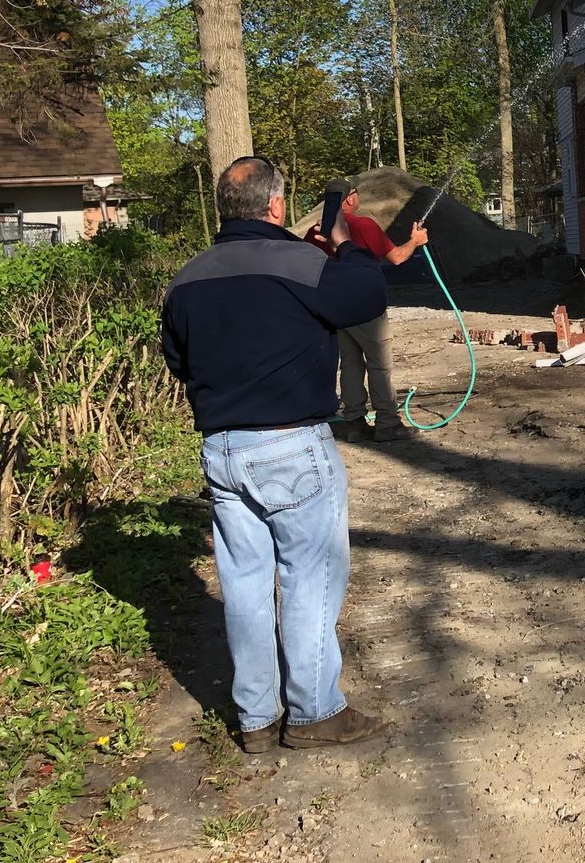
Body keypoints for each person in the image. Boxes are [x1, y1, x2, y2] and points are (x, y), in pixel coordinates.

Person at [160, 156, 392, 753]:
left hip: (222, 452)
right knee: (309, 579)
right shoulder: (301, 262)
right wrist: (347, 244)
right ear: (276, 207)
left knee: (243, 585)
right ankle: (314, 713)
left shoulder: (186, 278)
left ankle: (257, 717)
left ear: (223, 209)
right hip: (292, 448)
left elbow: (178, 362)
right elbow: (367, 295)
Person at [304, 178, 428, 443]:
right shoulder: (363, 225)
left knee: (349, 365)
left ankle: (354, 424)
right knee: (379, 365)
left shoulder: (314, 233)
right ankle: (387, 423)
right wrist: (415, 241)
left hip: (335, 310)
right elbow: (397, 258)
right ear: (350, 198)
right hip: (367, 308)